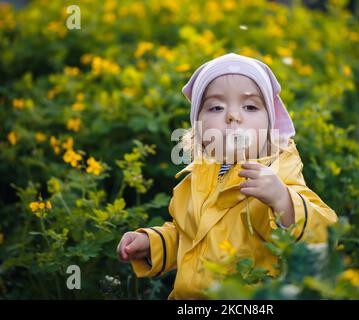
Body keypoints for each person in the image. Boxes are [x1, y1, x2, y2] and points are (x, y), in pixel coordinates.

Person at [117, 53, 338, 299]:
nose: (233, 116)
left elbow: (326, 234)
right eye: (216, 107)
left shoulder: (278, 175)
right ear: (198, 128)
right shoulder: (196, 178)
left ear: (270, 126)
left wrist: (283, 200)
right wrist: (153, 243)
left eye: (250, 106)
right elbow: (190, 239)